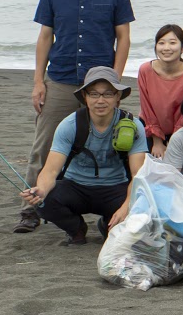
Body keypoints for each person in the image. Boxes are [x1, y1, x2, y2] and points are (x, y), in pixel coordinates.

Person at [21, 0, 134, 233]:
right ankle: (31, 208)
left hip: (100, 84)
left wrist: (115, 80)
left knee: (114, 142)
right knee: (43, 145)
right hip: (60, 79)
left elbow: (123, 37)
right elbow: (45, 37)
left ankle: (116, 201)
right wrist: (38, 81)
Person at [21, 67, 148, 244]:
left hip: (115, 187)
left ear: (118, 97)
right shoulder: (70, 124)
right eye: (94, 94)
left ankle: (107, 224)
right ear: (85, 97)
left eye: (108, 94)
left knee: (142, 205)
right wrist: (40, 190)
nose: (100, 100)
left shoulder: (132, 125)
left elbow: (138, 175)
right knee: (45, 201)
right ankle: (76, 228)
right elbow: (50, 171)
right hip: (76, 187)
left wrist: (126, 207)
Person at [136, 24, 183, 156]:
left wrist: (173, 142)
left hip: (182, 131)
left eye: (172, 43)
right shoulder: (145, 70)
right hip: (150, 129)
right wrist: (157, 141)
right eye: (161, 43)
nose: (166, 48)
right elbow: (147, 109)